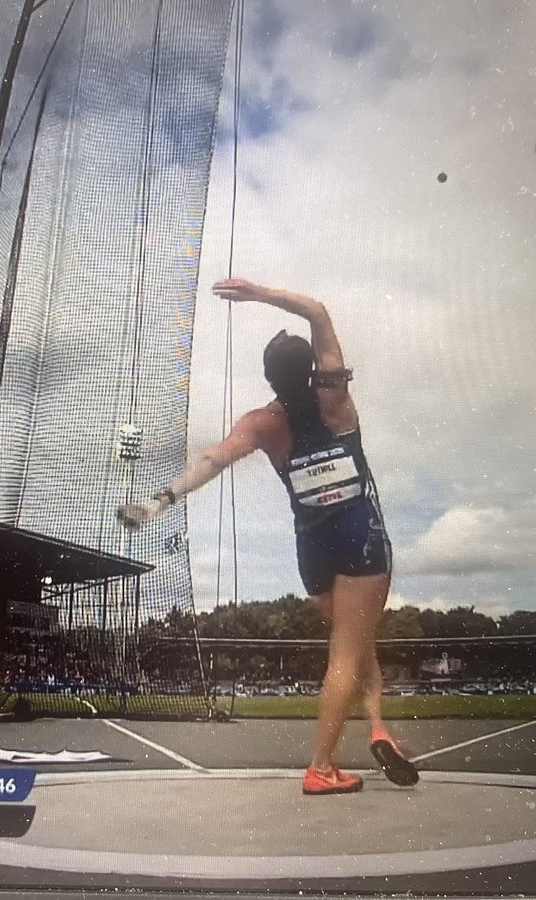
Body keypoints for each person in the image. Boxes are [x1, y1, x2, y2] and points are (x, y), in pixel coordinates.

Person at [117, 277, 418, 795]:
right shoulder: (335, 403)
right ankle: (322, 767)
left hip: (313, 547)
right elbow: (319, 312)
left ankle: (377, 725)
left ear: (268, 378)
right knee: (347, 650)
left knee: (353, 638)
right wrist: (260, 294)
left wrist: (159, 500)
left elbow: (212, 459)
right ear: (314, 371)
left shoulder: (261, 423)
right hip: (359, 535)